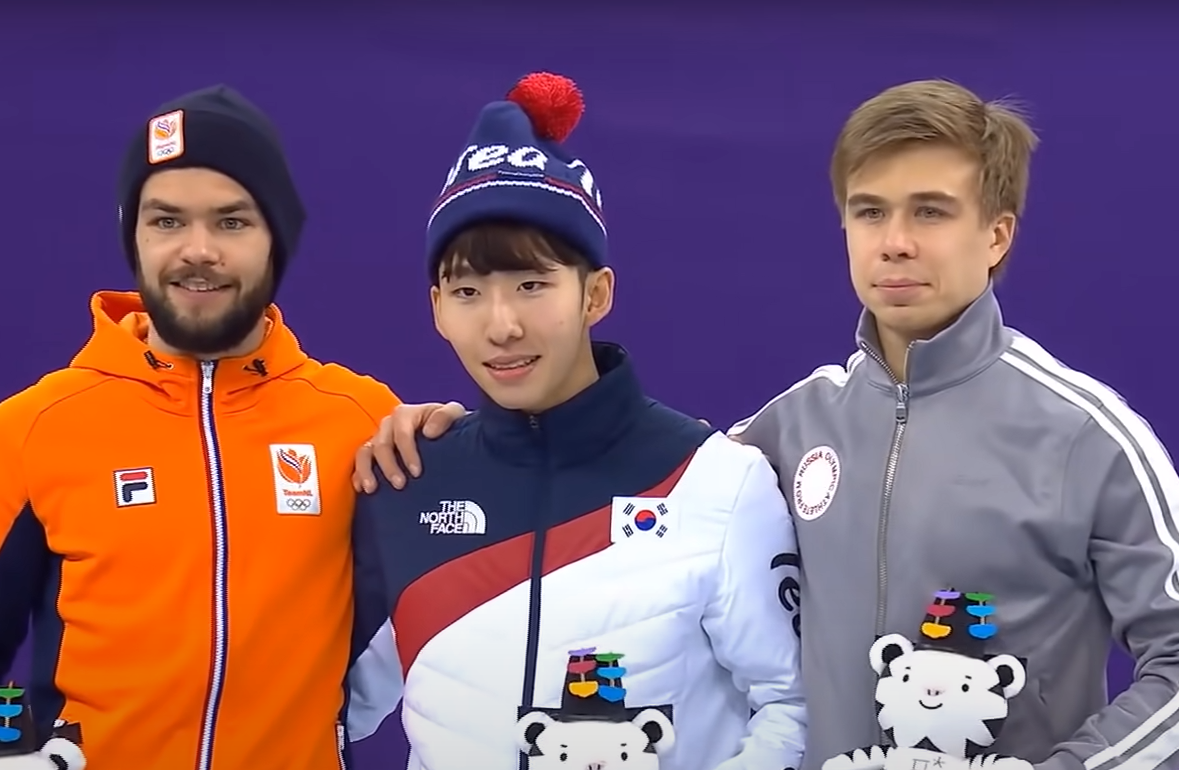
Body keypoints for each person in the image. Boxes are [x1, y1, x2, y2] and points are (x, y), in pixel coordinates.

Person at [354, 78, 1179, 770]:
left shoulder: (1084, 435)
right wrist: (460, 438)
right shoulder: (788, 429)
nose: (894, 243)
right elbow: (614, 470)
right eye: (869, 212)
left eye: (929, 212)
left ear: (995, 235)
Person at [345, 72, 806, 770]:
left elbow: (791, 705)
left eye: (532, 285)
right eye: (468, 292)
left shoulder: (716, 480)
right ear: (437, 307)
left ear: (596, 294)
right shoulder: (408, 481)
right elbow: (324, 711)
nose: (502, 325)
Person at [0, 85, 400, 770]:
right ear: (133, 236)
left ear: (277, 239)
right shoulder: (33, 427)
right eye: (166, 221)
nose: (198, 250)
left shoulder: (365, 421)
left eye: (232, 222)